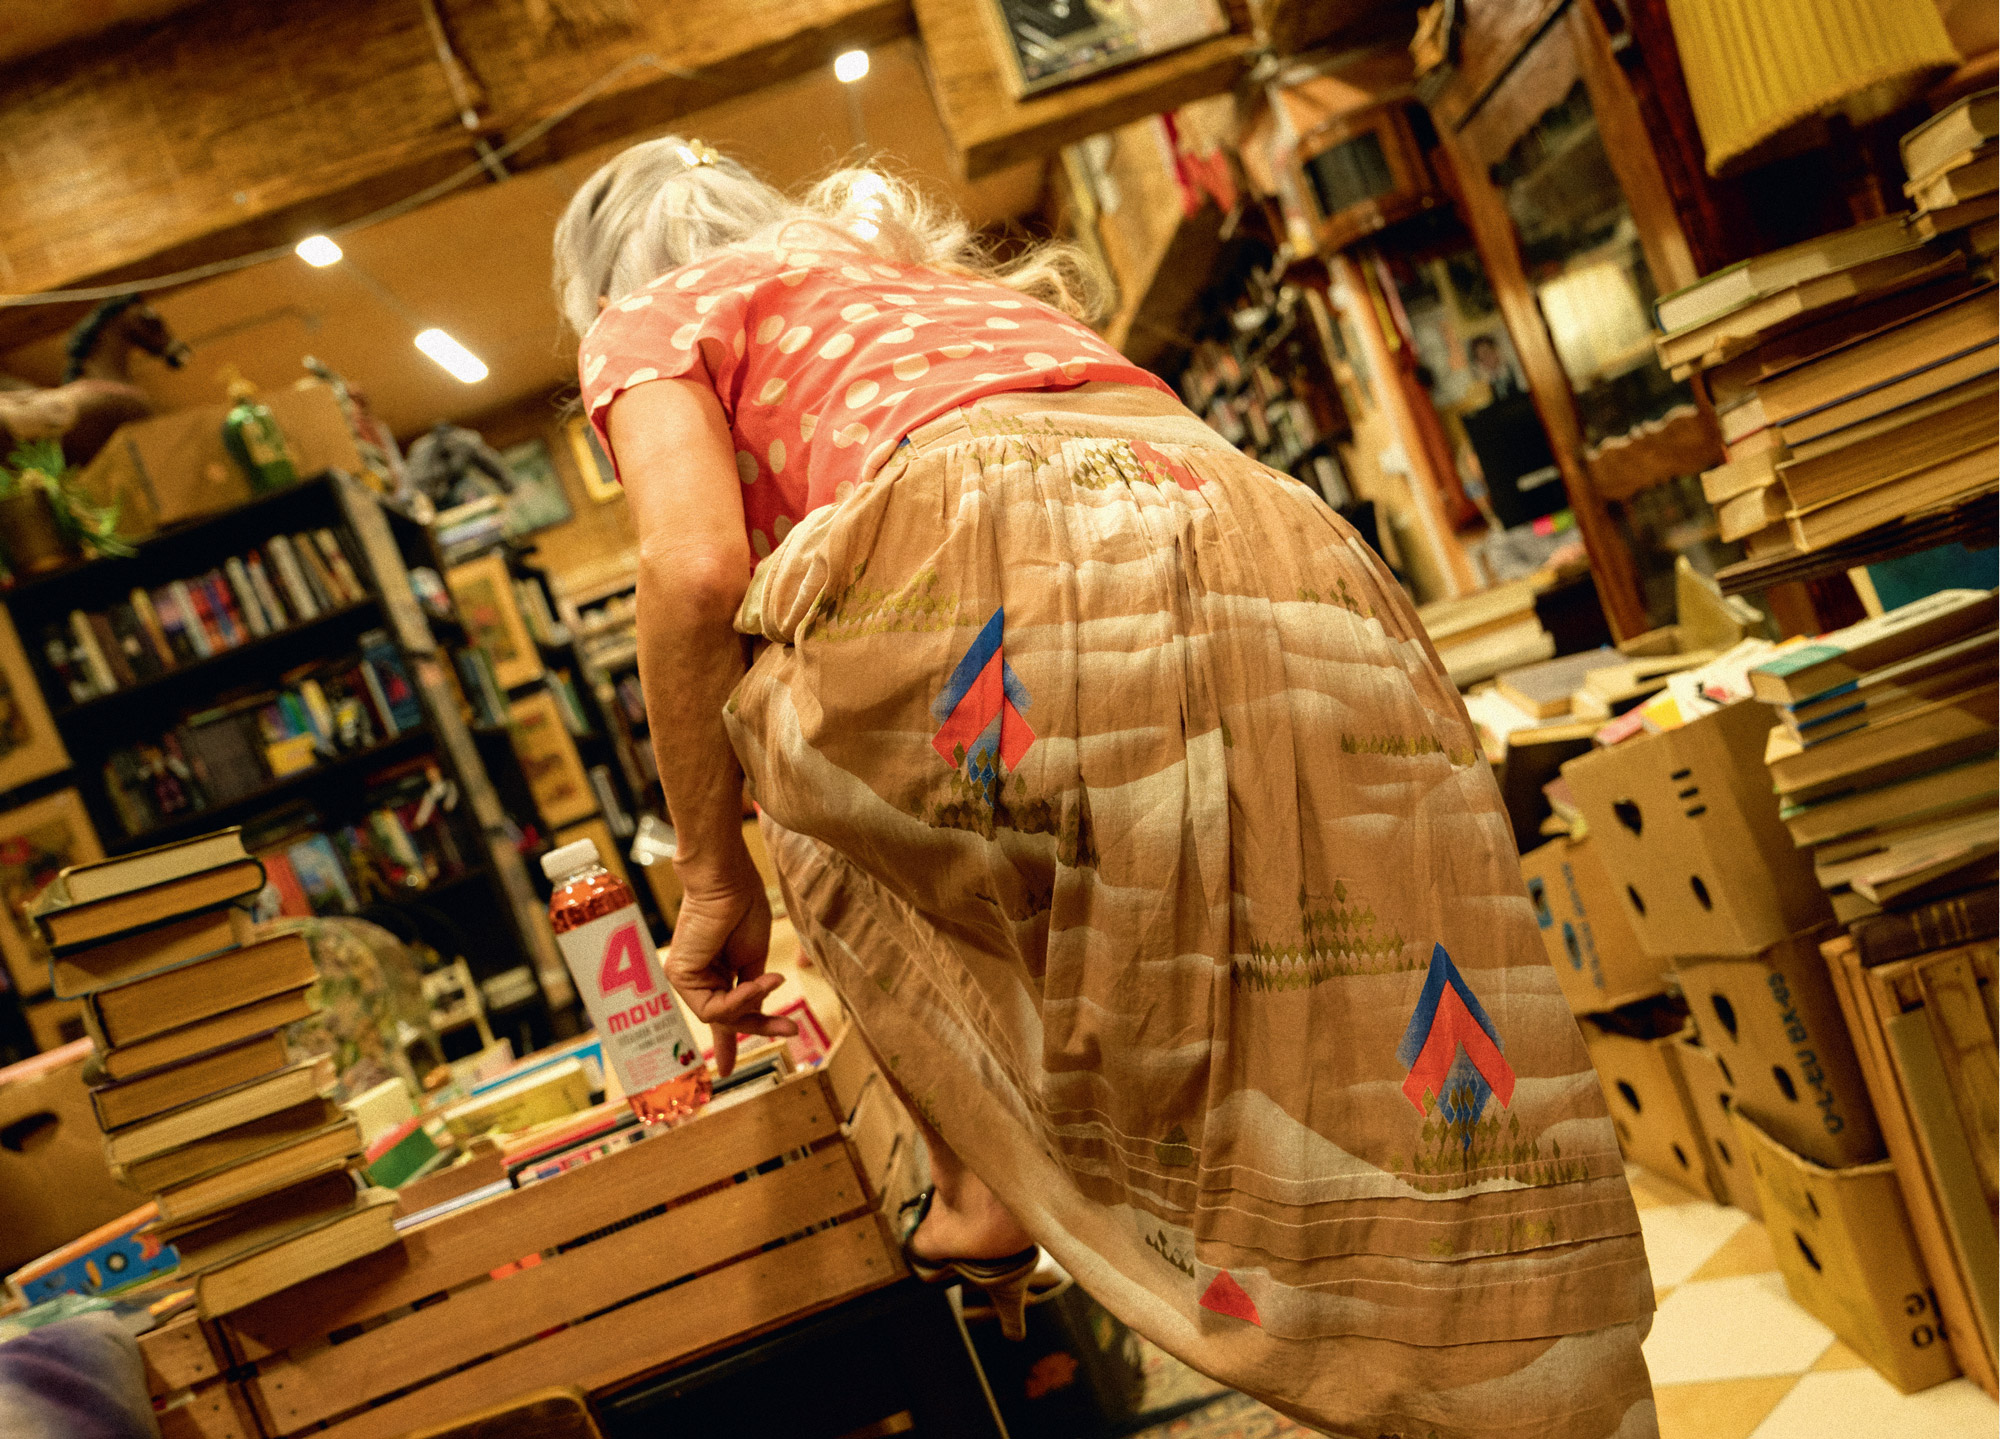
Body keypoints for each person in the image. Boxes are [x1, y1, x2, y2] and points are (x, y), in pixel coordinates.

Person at [553, 137, 1657, 1439]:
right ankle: (1552, 1385)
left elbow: (691, 574)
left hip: (999, 566)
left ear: (603, 284)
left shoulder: (652, 318)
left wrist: (712, 874)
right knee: (1392, 986)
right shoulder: (905, 282)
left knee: (787, 766)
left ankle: (979, 1187)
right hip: (1275, 542)